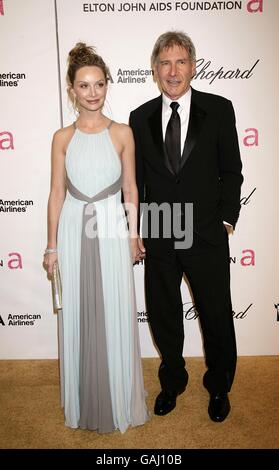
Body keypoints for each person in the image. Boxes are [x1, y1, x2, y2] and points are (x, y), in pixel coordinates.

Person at [129, 31, 243, 422]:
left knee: (215, 314)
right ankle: (172, 380)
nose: (172, 71)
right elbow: (137, 181)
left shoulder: (219, 108)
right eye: (165, 63)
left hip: (207, 232)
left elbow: (231, 170)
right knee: (163, 314)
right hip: (160, 231)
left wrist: (227, 219)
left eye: (180, 62)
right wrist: (135, 229)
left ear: (193, 66)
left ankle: (219, 386)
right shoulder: (139, 117)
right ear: (155, 69)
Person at [43, 42, 149, 433]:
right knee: (79, 311)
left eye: (99, 84)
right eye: (84, 85)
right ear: (71, 89)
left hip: (109, 225)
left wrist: (133, 234)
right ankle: (83, 401)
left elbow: (132, 189)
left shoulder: (123, 132)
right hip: (73, 226)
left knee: (115, 310)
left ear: (107, 86)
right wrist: (52, 246)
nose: (92, 92)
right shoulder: (61, 138)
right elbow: (56, 193)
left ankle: (118, 399)